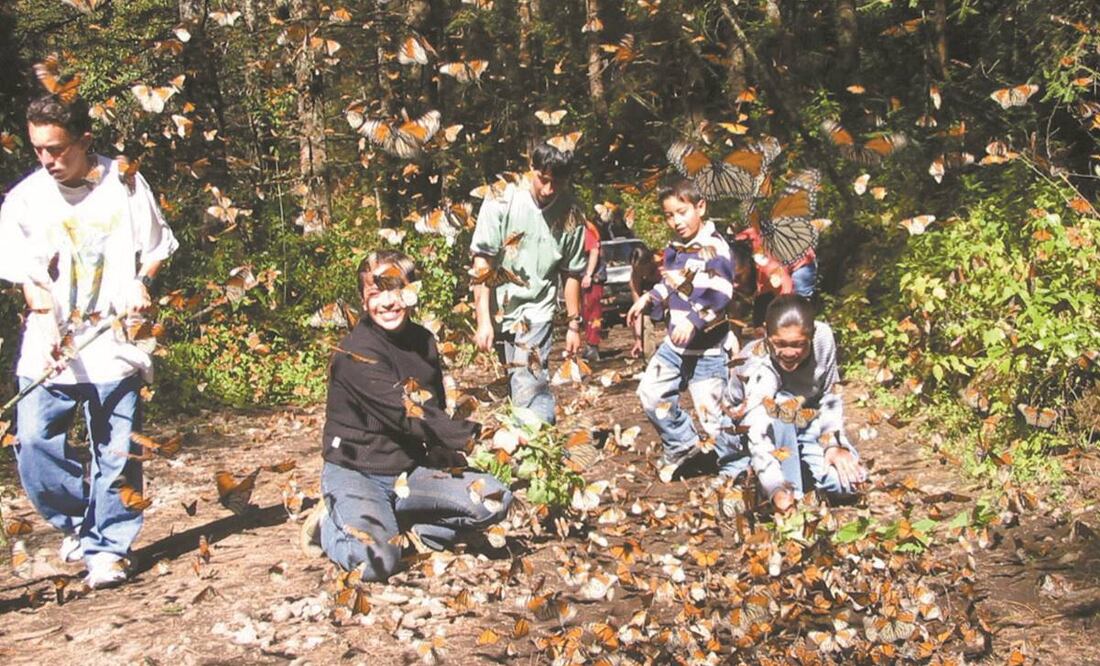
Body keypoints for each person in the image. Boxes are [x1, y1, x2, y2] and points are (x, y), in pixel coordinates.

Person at [0, 94, 178, 588]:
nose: (47, 159)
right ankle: (80, 523)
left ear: (85, 141)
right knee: (33, 442)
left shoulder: (124, 182)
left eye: (57, 149)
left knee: (117, 453)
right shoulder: (24, 200)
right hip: (50, 350)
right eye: (38, 149)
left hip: (115, 346)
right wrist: (45, 319)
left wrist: (141, 281)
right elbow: (29, 277)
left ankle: (108, 549)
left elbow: (156, 246)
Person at [301, 250, 512, 581]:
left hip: (410, 473)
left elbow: (433, 408)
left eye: (397, 289)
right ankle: (330, 524)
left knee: (493, 499)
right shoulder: (355, 353)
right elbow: (408, 413)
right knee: (376, 562)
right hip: (357, 473)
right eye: (375, 292)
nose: (387, 302)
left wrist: (442, 451)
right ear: (362, 299)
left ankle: (412, 530)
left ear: (413, 291)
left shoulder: (423, 341)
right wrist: (482, 435)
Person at [469, 143, 587, 424]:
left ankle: (536, 441)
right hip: (501, 307)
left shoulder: (571, 213)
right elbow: (483, 260)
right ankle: (529, 440)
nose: (548, 189)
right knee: (515, 382)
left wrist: (574, 325)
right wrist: (483, 320)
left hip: (537, 309)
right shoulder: (501, 198)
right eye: (543, 179)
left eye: (557, 182)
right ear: (531, 168)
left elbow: (571, 272)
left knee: (529, 382)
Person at [715, 295, 865, 513]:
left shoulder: (823, 338)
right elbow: (759, 431)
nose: (788, 353)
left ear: (812, 334)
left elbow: (830, 394)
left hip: (804, 422)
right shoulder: (757, 366)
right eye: (779, 344)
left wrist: (833, 444)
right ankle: (774, 486)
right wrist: (778, 488)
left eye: (798, 345)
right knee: (784, 403)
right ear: (765, 333)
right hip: (747, 432)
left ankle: (788, 479)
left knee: (849, 483)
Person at [627, 179, 734, 474]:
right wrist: (649, 298)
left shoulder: (714, 247)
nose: (676, 221)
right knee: (651, 393)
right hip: (674, 348)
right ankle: (683, 443)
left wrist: (693, 319)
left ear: (700, 207)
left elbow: (721, 292)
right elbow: (671, 284)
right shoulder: (675, 249)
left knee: (714, 419)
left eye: (682, 212)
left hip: (707, 350)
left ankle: (736, 471)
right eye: (669, 215)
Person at [627, 245, 660, 359]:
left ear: (650, 262)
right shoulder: (635, 277)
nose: (639, 272)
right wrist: (638, 339)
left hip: (668, 295)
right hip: (647, 298)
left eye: (641, 269)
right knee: (645, 322)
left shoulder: (662, 266)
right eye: (636, 270)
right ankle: (649, 359)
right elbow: (637, 310)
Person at [580, 218, 605, 361]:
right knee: (585, 312)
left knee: (593, 312)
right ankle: (590, 345)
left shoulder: (586, 232)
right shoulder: (582, 232)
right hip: (586, 279)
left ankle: (593, 346)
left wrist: (588, 274)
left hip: (593, 280)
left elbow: (594, 251)